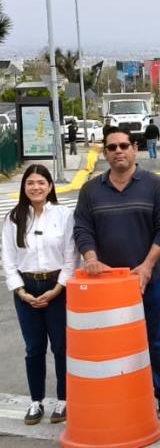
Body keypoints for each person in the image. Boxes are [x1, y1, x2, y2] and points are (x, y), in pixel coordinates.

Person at [73, 127, 160, 419]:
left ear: (135, 149)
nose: (118, 151)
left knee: (155, 337)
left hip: (149, 280)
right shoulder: (91, 190)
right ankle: (120, 392)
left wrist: (146, 267)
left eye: (123, 145)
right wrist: (91, 259)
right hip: (107, 286)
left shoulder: (155, 186)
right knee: (112, 342)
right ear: (105, 153)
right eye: (112, 147)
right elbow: (82, 228)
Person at [1, 164, 78, 425]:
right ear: (24, 187)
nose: (36, 187)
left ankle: (63, 399)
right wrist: (21, 292)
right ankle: (36, 402)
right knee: (34, 348)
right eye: (30, 183)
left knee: (60, 346)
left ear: (50, 186)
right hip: (26, 289)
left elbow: (71, 257)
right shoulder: (13, 218)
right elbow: (8, 260)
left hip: (58, 287)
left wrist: (58, 288)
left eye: (41, 182)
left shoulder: (64, 214)